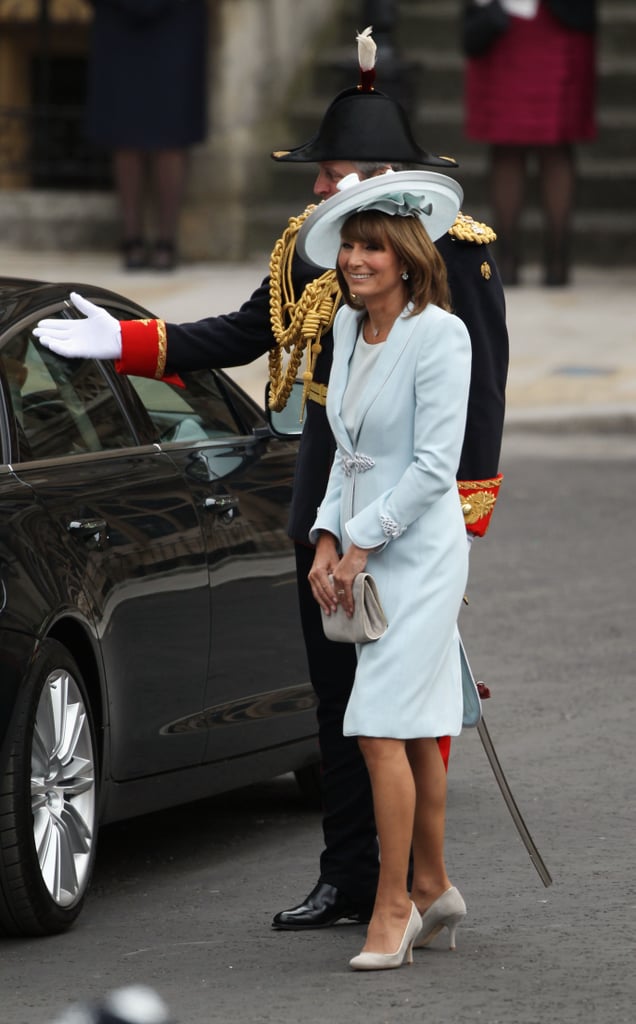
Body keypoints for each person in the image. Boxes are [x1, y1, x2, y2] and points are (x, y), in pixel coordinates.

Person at [35, 28, 507, 935]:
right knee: (338, 696)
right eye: (319, 174)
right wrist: (129, 344)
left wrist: (465, 515)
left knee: (404, 695)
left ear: (377, 178)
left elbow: (478, 396)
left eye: (332, 175)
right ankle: (349, 874)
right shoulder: (309, 246)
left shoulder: (460, 252)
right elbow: (246, 331)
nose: (317, 188)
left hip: (417, 496)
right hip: (330, 479)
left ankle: (412, 880)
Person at [297, 169, 471, 970]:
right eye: (349, 247)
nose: (356, 260)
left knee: (373, 725)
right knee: (408, 721)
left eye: (371, 247)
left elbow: (435, 467)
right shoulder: (345, 329)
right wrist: (328, 537)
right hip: (366, 546)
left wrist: (364, 538)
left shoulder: (441, 335)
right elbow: (346, 451)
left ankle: (392, 904)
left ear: (404, 256)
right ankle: (434, 888)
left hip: (423, 555)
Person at [464, 0, 598, 286]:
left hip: (559, 28)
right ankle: (508, 258)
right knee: (506, 144)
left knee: (557, 145)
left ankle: (558, 260)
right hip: (502, 30)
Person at [85, 0, 208, 270]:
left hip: (176, 24)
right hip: (118, 25)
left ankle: (166, 240)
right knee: (124, 129)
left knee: (171, 131)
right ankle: (132, 238)